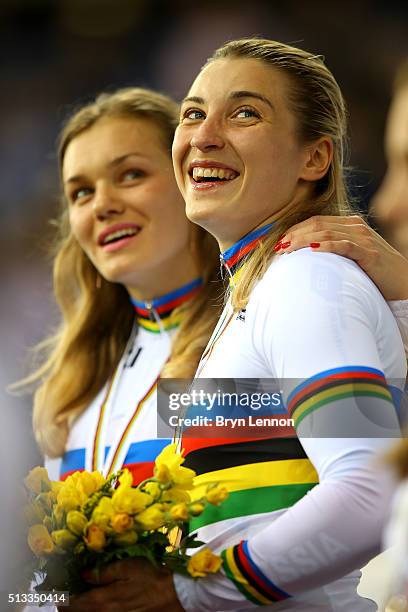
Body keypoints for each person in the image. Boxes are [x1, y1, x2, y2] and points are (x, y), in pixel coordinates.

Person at [18, 87, 221, 611]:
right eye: (80, 193)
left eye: (131, 174)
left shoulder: (255, 327)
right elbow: (41, 585)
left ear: (191, 181)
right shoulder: (74, 386)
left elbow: (375, 465)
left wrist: (185, 594)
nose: (103, 204)